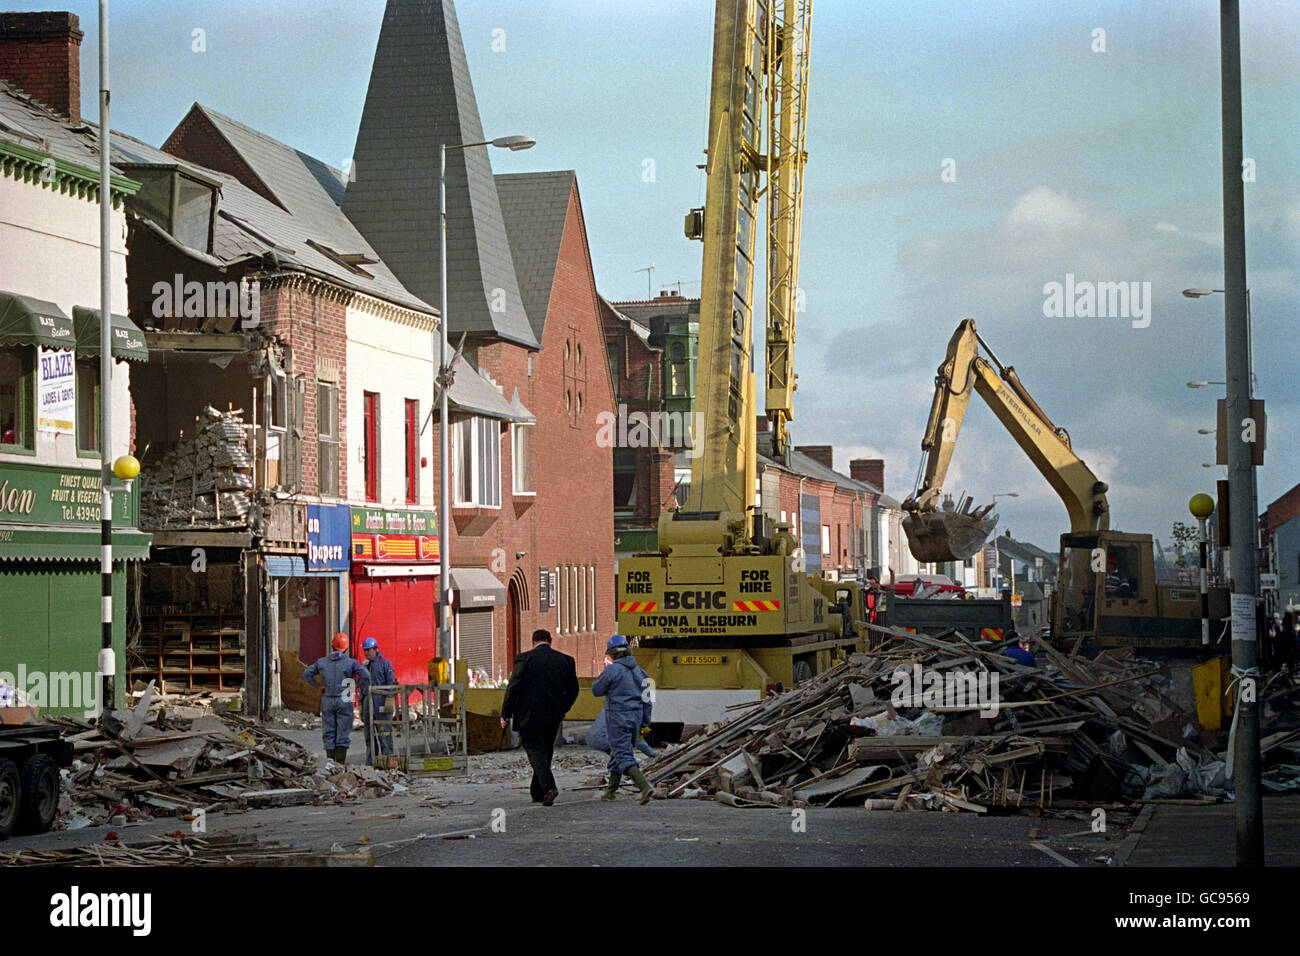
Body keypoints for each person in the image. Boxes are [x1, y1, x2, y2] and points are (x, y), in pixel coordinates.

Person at [500, 628, 579, 806]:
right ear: (550, 641)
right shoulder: (565, 660)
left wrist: (505, 713)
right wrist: (562, 708)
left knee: (535, 751)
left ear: (533, 642)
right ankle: (538, 792)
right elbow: (573, 690)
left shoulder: (524, 659)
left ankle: (549, 787)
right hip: (553, 716)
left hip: (528, 715)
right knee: (545, 751)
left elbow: (513, 688)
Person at [591, 634, 654, 804]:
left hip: (618, 717)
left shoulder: (612, 670)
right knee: (618, 753)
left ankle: (644, 787)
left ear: (611, 653)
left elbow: (596, 690)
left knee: (622, 754)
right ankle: (611, 792)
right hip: (637, 718)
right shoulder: (641, 672)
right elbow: (648, 702)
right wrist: (645, 723)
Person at [304, 632, 370, 765]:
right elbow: (366, 675)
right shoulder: (351, 663)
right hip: (344, 698)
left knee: (329, 731)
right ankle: (340, 764)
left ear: (332, 646)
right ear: (346, 648)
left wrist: (317, 686)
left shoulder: (321, 662)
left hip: (328, 698)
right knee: (343, 732)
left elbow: (307, 673)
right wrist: (357, 686)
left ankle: (330, 763)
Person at [361, 637, 397, 766]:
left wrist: (389, 699)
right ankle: (372, 764)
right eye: (365, 650)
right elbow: (362, 687)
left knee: (385, 734)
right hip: (368, 704)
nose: (366, 653)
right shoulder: (364, 667)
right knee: (369, 737)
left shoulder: (385, 664)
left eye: (369, 650)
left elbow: (391, 682)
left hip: (381, 704)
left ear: (376, 650)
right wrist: (361, 705)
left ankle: (389, 763)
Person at [585, 707, 658, 761]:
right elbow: (638, 741)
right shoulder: (630, 712)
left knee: (617, 758)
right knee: (626, 756)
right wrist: (654, 755)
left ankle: (615, 772)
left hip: (590, 738)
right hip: (603, 740)